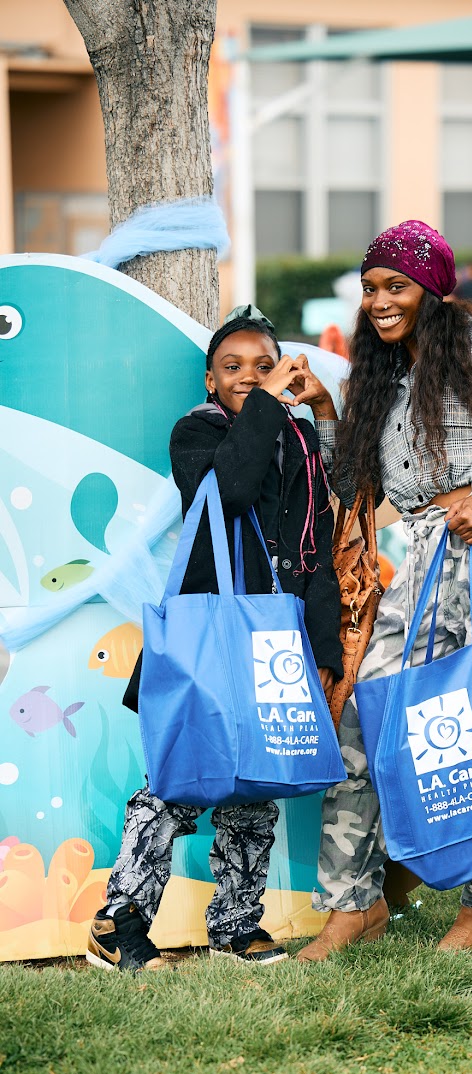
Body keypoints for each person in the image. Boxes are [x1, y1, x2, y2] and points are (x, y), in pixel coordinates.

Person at [287, 220, 472, 960]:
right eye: (371, 288)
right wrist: (327, 413)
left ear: (433, 288)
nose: (379, 301)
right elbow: (355, 486)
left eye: (395, 286)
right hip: (421, 563)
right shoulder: (381, 371)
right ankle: (354, 904)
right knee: (361, 714)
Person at [86, 307, 342, 971]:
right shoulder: (195, 432)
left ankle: (236, 924)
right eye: (233, 368)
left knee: (255, 784)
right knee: (177, 781)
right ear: (209, 379)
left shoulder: (300, 443)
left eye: (264, 367)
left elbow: (314, 554)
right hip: (205, 640)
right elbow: (226, 489)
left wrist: (323, 652)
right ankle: (118, 920)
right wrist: (267, 404)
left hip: (270, 646)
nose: (249, 378)